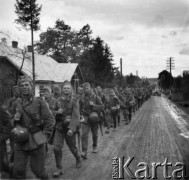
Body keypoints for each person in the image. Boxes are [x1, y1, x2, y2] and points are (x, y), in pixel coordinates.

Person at [12, 75, 55, 179]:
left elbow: (50, 120)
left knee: (38, 171)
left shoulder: (40, 102)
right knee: (18, 170)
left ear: (31, 86)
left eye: (27, 85)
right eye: (22, 85)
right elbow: (10, 121)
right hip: (21, 139)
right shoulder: (16, 103)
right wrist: (14, 120)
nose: (24, 87)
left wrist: (45, 136)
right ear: (19, 88)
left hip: (37, 138)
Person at [52, 81, 81, 177]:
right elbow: (51, 112)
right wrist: (57, 112)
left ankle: (78, 158)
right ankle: (59, 168)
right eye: (64, 88)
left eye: (68, 88)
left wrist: (71, 129)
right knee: (56, 147)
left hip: (69, 128)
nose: (66, 89)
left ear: (71, 89)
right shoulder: (58, 100)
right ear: (62, 89)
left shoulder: (74, 100)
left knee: (72, 147)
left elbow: (76, 116)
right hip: (59, 127)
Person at [80, 83, 103, 159]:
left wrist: (94, 105)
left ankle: (95, 146)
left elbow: (102, 106)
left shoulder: (96, 97)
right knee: (84, 134)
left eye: (88, 88)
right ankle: (84, 151)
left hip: (94, 117)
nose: (86, 89)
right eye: (85, 88)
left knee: (94, 134)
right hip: (85, 118)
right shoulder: (81, 98)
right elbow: (78, 108)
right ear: (83, 89)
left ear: (90, 88)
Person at [0, 85, 13, 179]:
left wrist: (2, 137)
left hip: (0, 140)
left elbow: (9, 125)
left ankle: (9, 170)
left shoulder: (2, 109)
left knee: (2, 160)